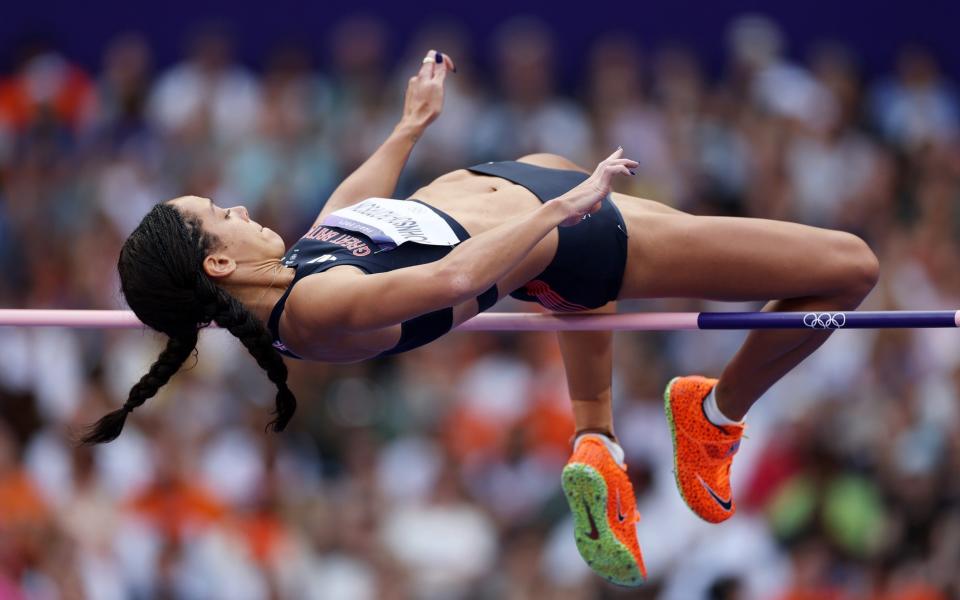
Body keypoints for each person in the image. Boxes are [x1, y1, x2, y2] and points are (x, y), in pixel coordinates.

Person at [82, 50, 880, 587]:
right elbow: (461, 274)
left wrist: (410, 126)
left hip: (524, 196)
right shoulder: (316, 310)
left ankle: (597, 439)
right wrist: (566, 207)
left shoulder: (297, 270)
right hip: (560, 232)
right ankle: (713, 414)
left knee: (579, 296)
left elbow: (348, 210)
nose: (241, 205)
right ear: (218, 265)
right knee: (848, 268)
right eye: (220, 212)